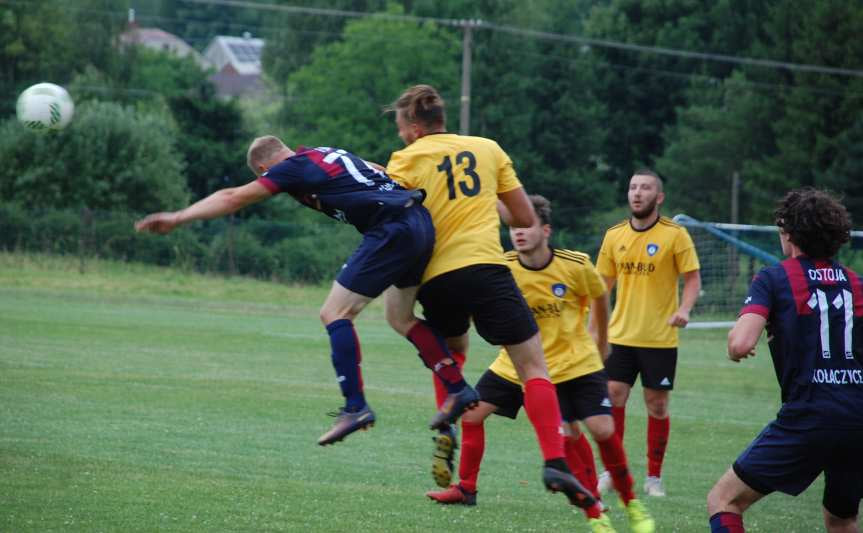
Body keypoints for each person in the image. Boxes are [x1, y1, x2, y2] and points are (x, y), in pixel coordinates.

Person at [135, 136, 472, 447]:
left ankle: (355, 406)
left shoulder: (291, 167)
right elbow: (384, 172)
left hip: (391, 228)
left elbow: (233, 197)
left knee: (334, 313)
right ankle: (457, 388)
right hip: (419, 223)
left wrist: (178, 218)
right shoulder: (325, 154)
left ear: (267, 169)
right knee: (398, 317)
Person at [384, 84, 594, 508]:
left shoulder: (405, 159)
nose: (400, 136)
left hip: (438, 276)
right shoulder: (487, 148)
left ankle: (449, 419)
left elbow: (394, 217)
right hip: (487, 268)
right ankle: (554, 460)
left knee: (450, 348)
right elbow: (522, 216)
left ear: (412, 127)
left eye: (400, 128)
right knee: (533, 365)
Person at [424, 195, 655, 533]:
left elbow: (600, 295)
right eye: (513, 227)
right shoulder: (500, 267)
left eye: (526, 226)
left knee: (577, 433)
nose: (518, 233)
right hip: (511, 366)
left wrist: (600, 340)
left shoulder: (573, 265)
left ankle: (598, 501)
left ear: (545, 230)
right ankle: (466, 489)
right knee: (471, 415)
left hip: (562, 367)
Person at [707, 188, 863, 533]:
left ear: (788, 233)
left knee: (724, 500)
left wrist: (742, 344)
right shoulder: (857, 283)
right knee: (842, 518)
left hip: (809, 414)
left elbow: (740, 342)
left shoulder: (774, 278)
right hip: (858, 419)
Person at [594, 169, 701, 497]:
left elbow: (692, 279)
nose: (637, 193)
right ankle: (614, 472)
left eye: (645, 188)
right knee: (614, 397)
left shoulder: (675, 235)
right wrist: (593, 330)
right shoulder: (614, 235)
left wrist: (684, 310)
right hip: (620, 337)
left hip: (659, 338)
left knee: (656, 405)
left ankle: (654, 478)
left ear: (659, 197)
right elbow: (602, 288)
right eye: (633, 187)